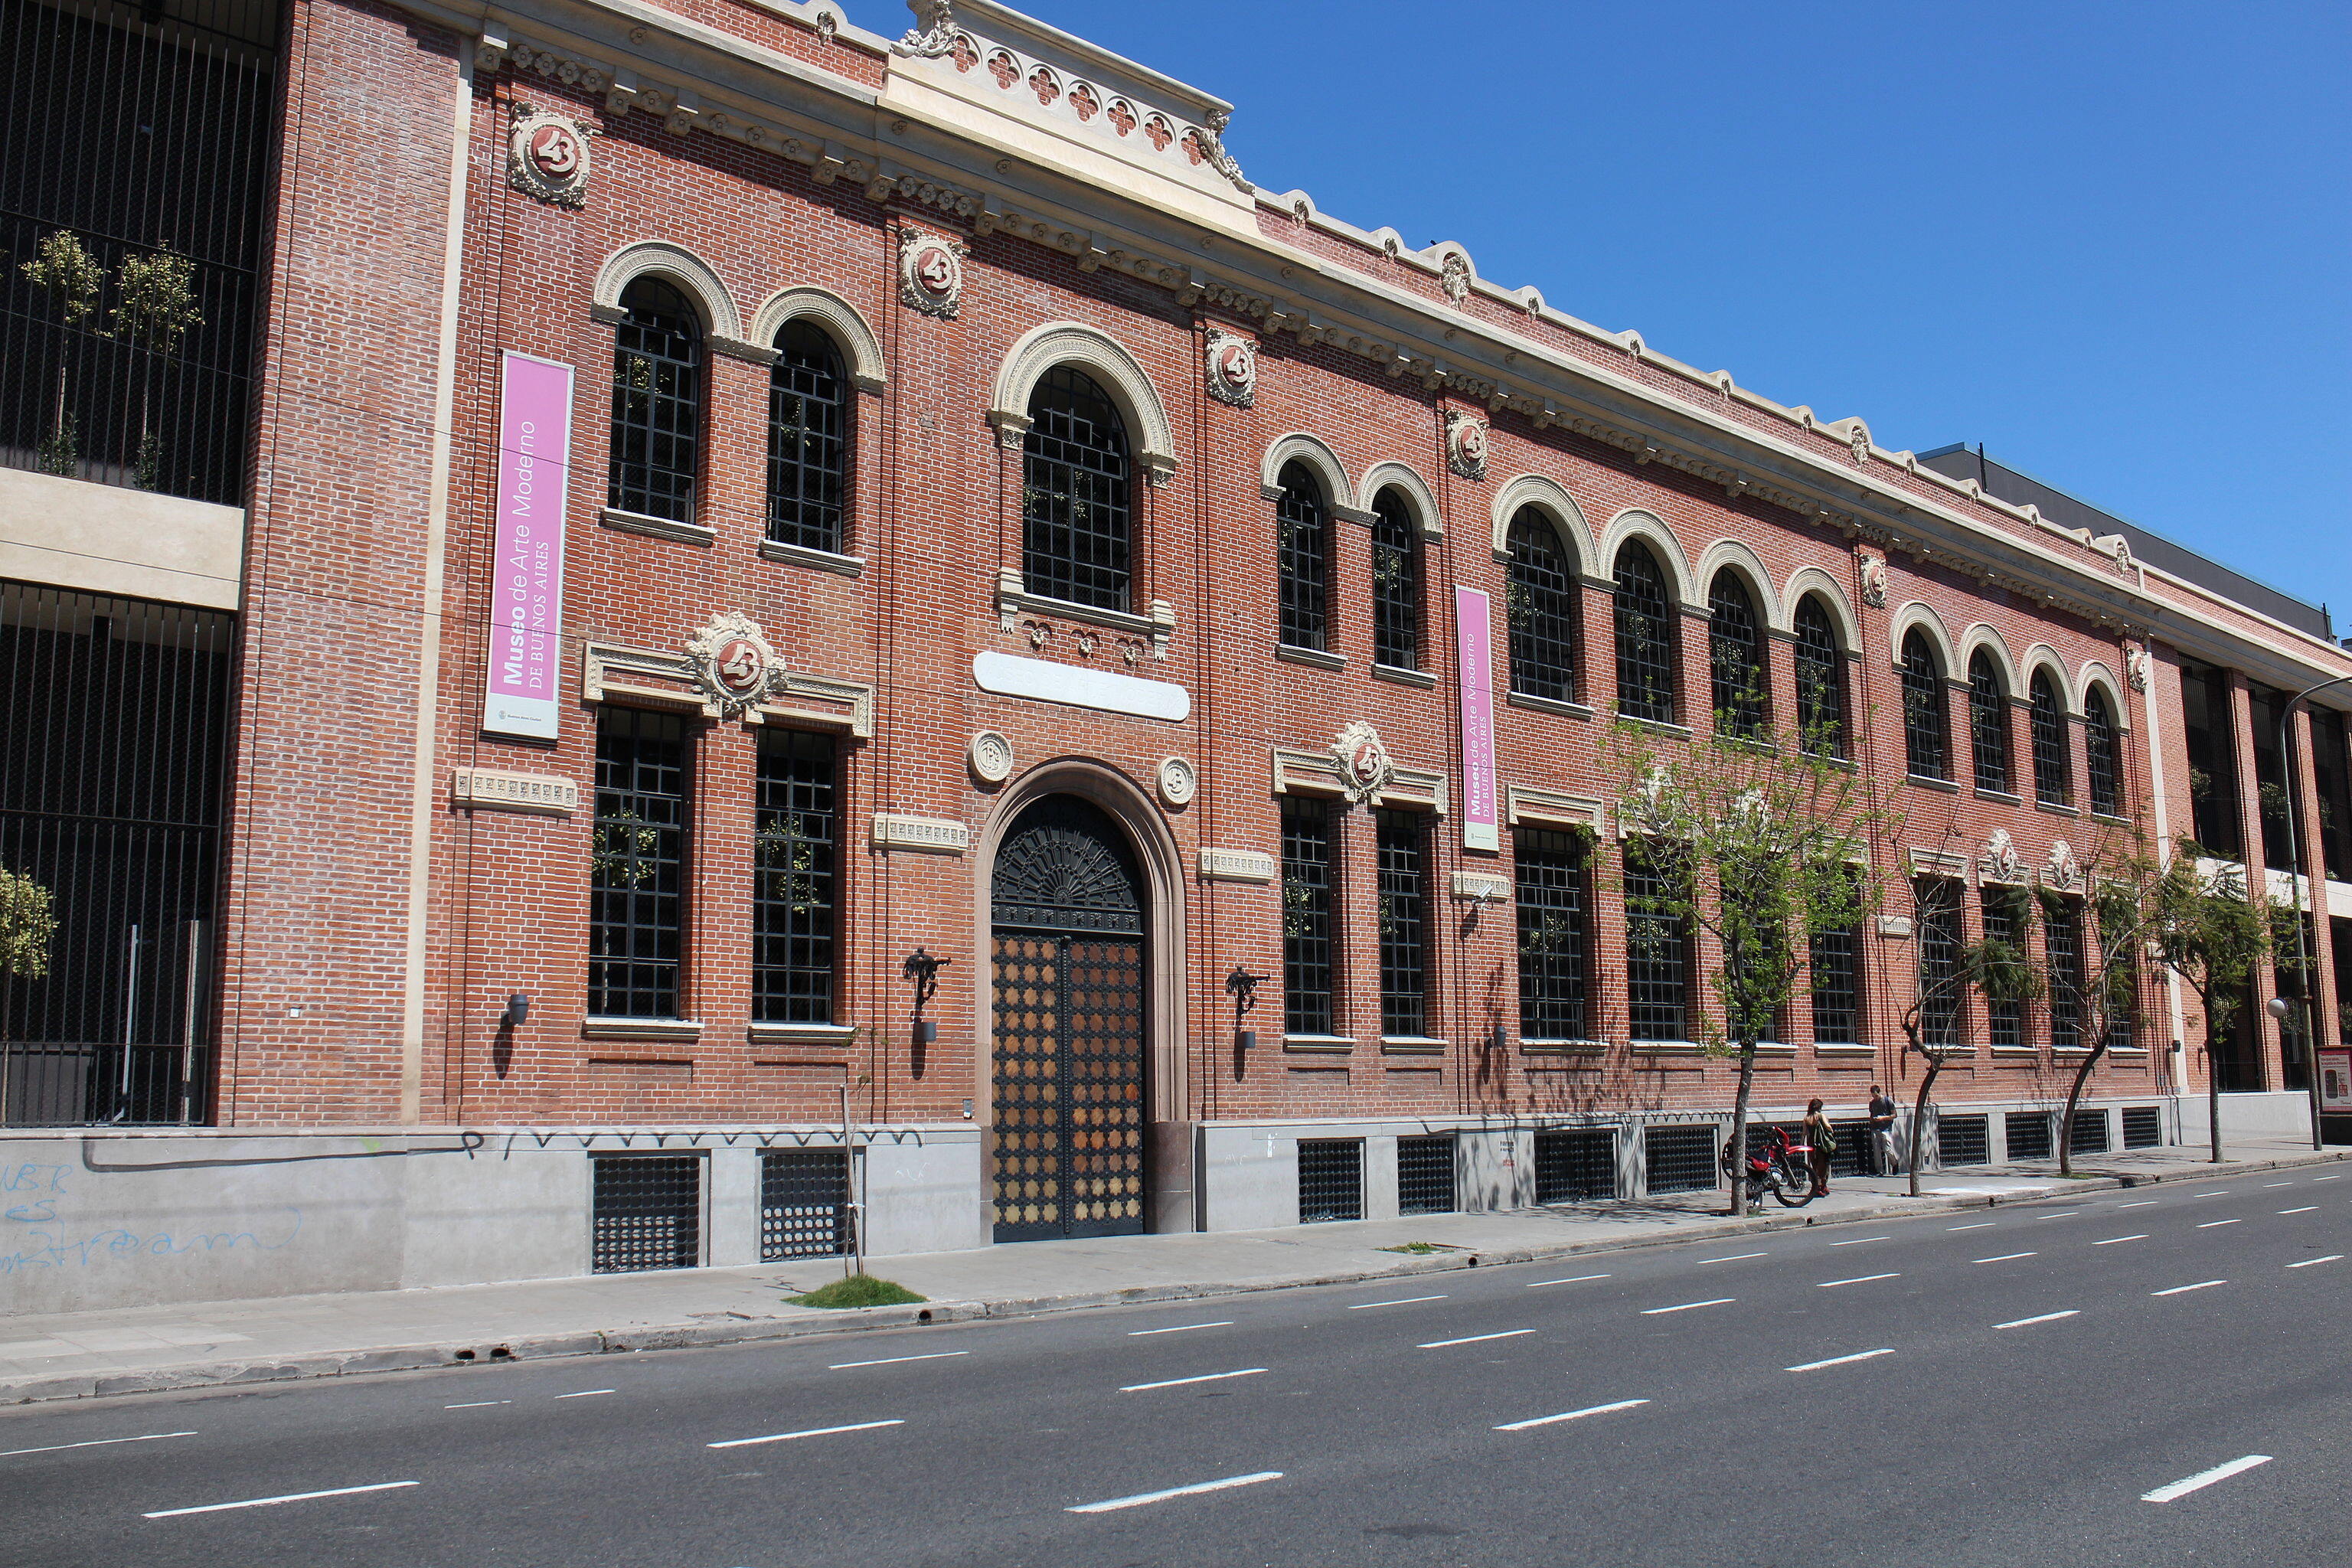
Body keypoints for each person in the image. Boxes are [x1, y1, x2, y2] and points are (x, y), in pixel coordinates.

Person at [1801, 1097, 1836, 1197]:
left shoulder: (1807, 1118)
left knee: (1814, 1166)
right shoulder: (1821, 1116)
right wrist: (1831, 1132)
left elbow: (1804, 1133)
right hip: (1821, 1144)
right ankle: (1822, 1186)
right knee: (1824, 1166)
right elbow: (1827, 1126)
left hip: (1811, 1144)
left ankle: (1816, 1186)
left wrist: (1802, 1144)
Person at [1867, 1085, 1900, 1177]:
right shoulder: (1872, 1103)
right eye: (1873, 1096)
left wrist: (1883, 1118)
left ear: (1879, 1093)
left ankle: (1894, 1163)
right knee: (1876, 1150)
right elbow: (1871, 1114)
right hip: (1875, 1128)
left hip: (1886, 1128)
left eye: (1876, 1096)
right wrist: (1872, 1119)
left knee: (1887, 1149)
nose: (1875, 1098)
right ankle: (1879, 1171)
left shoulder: (1887, 1101)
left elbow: (1894, 1115)